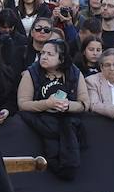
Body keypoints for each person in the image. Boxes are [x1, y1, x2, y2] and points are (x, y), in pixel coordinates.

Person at [18, 39, 90, 180]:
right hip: (41, 120)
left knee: (69, 127)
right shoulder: (31, 73)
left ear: (61, 58)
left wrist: (68, 105)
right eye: (42, 53)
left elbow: (85, 103)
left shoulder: (74, 73)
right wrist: (47, 104)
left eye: (50, 54)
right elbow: (22, 104)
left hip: (67, 119)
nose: (44, 57)